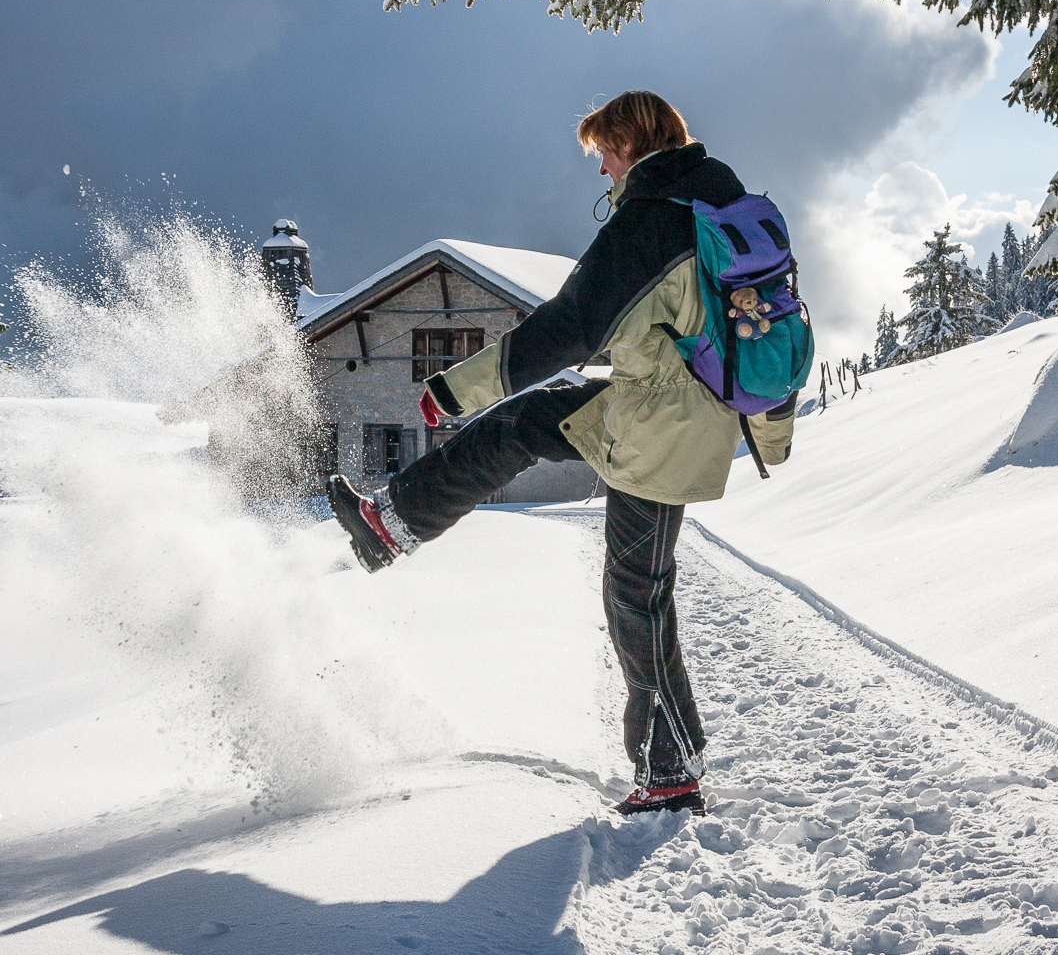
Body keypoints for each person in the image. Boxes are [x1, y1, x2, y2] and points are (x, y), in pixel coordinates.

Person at [327, 91, 797, 815]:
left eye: (606, 151)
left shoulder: (652, 217)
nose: (602, 167)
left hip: (661, 427)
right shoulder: (721, 200)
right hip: (669, 407)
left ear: (635, 144)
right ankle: (393, 522)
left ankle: (668, 770)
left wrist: (454, 391)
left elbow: (570, 328)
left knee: (636, 594)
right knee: (525, 428)